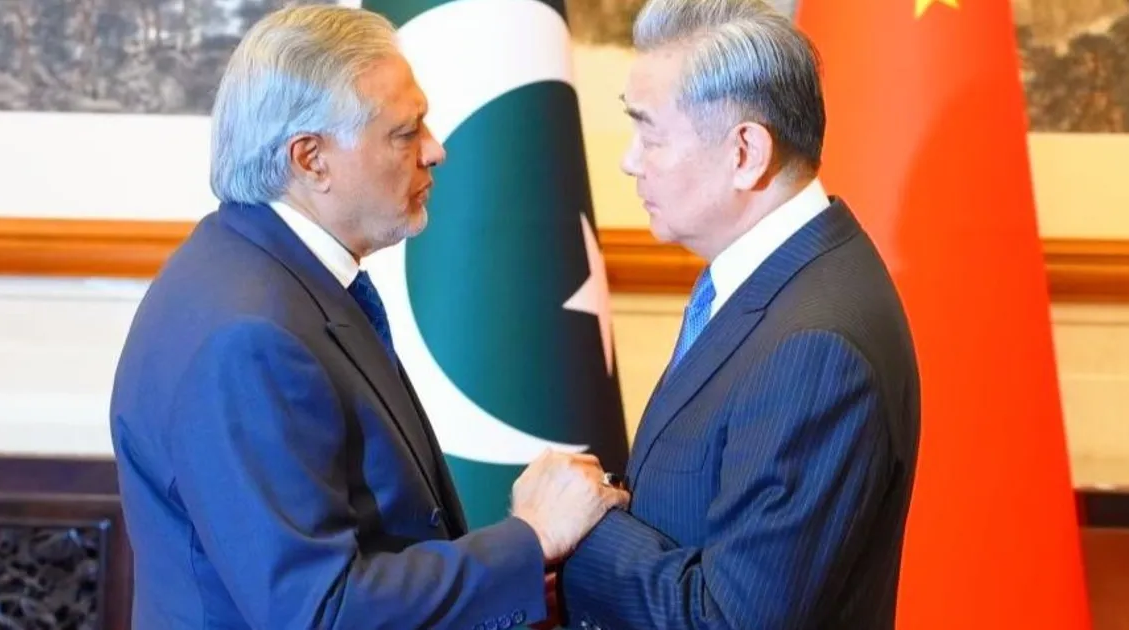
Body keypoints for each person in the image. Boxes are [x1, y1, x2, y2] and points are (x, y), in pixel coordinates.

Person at [108, 6, 628, 629]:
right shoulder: (250, 335)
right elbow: (322, 611)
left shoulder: (260, 270)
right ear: (311, 159)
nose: (435, 150)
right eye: (405, 133)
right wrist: (532, 537)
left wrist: (508, 586)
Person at [554, 0, 921, 628]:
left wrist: (582, 525)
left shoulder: (814, 347)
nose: (630, 160)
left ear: (745, 151)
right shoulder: (777, 277)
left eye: (651, 135)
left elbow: (729, 617)